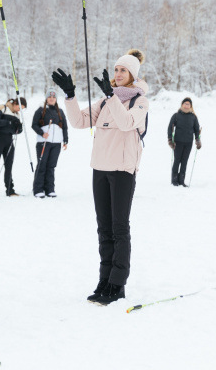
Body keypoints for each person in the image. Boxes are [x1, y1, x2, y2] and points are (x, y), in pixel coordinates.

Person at [52, 49, 148, 306]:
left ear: (132, 75)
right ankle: (104, 280)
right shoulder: (107, 101)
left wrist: (110, 95)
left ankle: (117, 283)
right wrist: (70, 96)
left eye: (123, 71)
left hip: (123, 171)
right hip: (100, 169)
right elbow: (79, 121)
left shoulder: (139, 102)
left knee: (119, 228)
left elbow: (127, 123)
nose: (117, 75)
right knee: (103, 228)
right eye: (116, 70)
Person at [31, 88, 69, 198]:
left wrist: (65, 140)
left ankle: (49, 189)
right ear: (46, 98)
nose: (51, 99)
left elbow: (65, 127)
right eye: (50, 97)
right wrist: (42, 133)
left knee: (51, 166)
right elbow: (34, 124)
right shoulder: (40, 110)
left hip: (56, 143)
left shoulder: (60, 111)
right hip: (43, 142)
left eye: (53, 97)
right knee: (42, 165)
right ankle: (38, 189)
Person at [167, 97, 201, 187]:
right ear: (182, 105)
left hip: (188, 143)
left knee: (184, 161)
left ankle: (181, 180)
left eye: (188, 104)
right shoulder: (176, 115)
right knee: (177, 160)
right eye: (185, 104)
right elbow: (170, 128)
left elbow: (197, 130)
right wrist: (170, 140)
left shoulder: (193, 117)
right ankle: (174, 180)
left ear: (191, 106)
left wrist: (198, 140)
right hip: (177, 142)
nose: (186, 106)